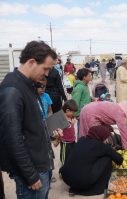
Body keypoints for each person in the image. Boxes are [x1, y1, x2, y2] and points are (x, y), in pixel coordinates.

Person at [0, 41, 57, 198]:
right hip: (32, 173)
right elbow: (12, 138)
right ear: (32, 62)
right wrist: (30, 175)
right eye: (45, 68)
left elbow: (34, 123)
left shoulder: (29, 84)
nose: (47, 74)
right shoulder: (12, 89)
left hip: (41, 166)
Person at [60, 124, 123, 196]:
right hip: (82, 182)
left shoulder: (81, 140)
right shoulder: (101, 146)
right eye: (106, 137)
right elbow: (119, 159)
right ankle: (100, 186)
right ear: (101, 136)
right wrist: (110, 150)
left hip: (67, 178)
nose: (107, 140)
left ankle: (77, 186)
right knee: (108, 158)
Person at [71, 68, 92, 138]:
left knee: (86, 130)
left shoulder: (85, 85)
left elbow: (83, 98)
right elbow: (75, 101)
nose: (91, 77)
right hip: (81, 114)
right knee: (81, 131)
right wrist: (77, 114)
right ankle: (80, 144)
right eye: (89, 75)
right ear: (84, 77)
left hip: (86, 113)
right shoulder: (79, 87)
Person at [59, 100, 78, 168]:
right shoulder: (63, 119)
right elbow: (59, 129)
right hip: (65, 143)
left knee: (71, 155)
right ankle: (63, 170)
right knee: (64, 157)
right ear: (67, 110)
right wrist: (59, 133)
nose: (73, 113)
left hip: (72, 141)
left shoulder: (71, 117)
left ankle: (69, 167)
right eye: (72, 112)